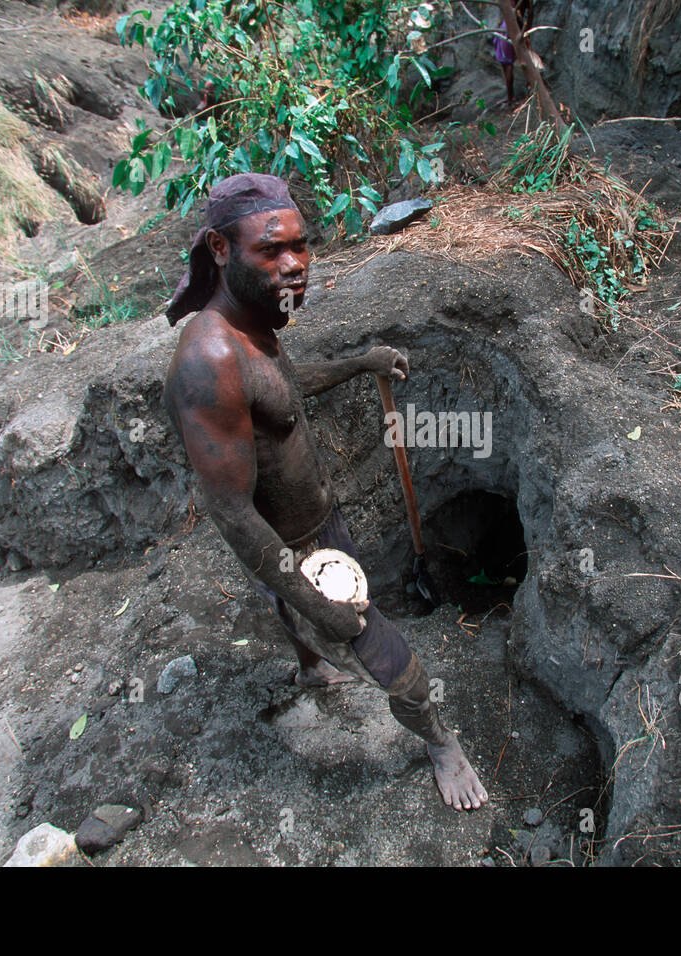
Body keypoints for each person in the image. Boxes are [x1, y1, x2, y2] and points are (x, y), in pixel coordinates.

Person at [161, 173, 488, 811]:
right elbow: (232, 513)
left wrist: (360, 362)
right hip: (291, 548)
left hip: (319, 522)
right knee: (401, 668)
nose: (293, 266)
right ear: (221, 250)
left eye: (300, 247)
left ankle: (312, 666)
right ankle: (441, 743)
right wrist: (318, 600)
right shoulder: (209, 362)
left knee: (301, 613)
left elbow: (280, 391)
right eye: (270, 251)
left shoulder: (253, 323)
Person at [492, 0, 534, 108]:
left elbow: (512, 11)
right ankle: (512, 97)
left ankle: (510, 97)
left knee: (506, 62)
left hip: (509, 27)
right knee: (509, 61)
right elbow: (529, 13)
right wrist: (527, 30)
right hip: (515, 27)